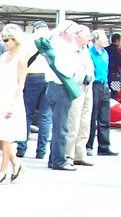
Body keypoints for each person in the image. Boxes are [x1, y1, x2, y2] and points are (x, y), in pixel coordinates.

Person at [0, 24, 26, 184]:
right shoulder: (3, 57)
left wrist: (13, 105)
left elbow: (21, 84)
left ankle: (3, 171)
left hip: (12, 98)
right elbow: (1, 80)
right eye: (3, 40)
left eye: (7, 40)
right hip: (1, 95)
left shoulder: (21, 58)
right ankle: (16, 163)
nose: (5, 43)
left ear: (15, 39)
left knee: (6, 136)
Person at [44, 21, 80, 172]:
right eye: (73, 32)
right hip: (60, 87)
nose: (75, 35)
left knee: (58, 125)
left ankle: (54, 158)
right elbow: (66, 69)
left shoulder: (56, 44)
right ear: (65, 33)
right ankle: (59, 159)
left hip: (54, 87)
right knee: (61, 127)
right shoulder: (62, 47)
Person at [17, 20, 50, 159]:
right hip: (49, 78)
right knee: (45, 116)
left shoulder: (29, 39)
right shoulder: (52, 39)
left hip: (32, 76)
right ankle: (41, 151)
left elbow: (22, 60)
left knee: (27, 114)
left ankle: (21, 148)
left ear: (35, 29)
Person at [66, 26, 94, 167]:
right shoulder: (71, 50)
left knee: (85, 121)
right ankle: (69, 154)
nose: (89, 38)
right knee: (73, 122)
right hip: (76, 87)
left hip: (88, 87)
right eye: (87, 35)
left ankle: (80, 154)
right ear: (77, 36)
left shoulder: (86, 50)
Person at [87, 30, 116, 156]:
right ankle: (88, 145)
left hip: (104, 85)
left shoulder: (105, 53)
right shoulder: (90, 53)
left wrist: (108, 86)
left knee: (104, 117)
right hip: (94, 85)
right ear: (96, 39)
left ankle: (104, 146)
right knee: (92, 116)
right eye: (103, 37)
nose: (106, 39)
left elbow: (107, 70)